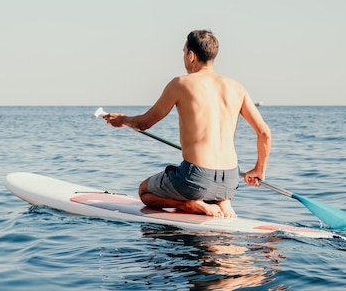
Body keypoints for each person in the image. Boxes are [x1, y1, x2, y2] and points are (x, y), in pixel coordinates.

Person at [103, 29, 271, 218]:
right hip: (231, 180)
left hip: (195, 179)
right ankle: (223, 202)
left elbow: (144, 123)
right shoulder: (236, 88)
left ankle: (188, 204)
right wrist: (259, 169)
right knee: (213, 188)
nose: (184, 57)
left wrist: (122, 120)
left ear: (191, 56)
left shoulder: (181, 84)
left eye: (184, 52)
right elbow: (264, 133)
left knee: (144, 192)